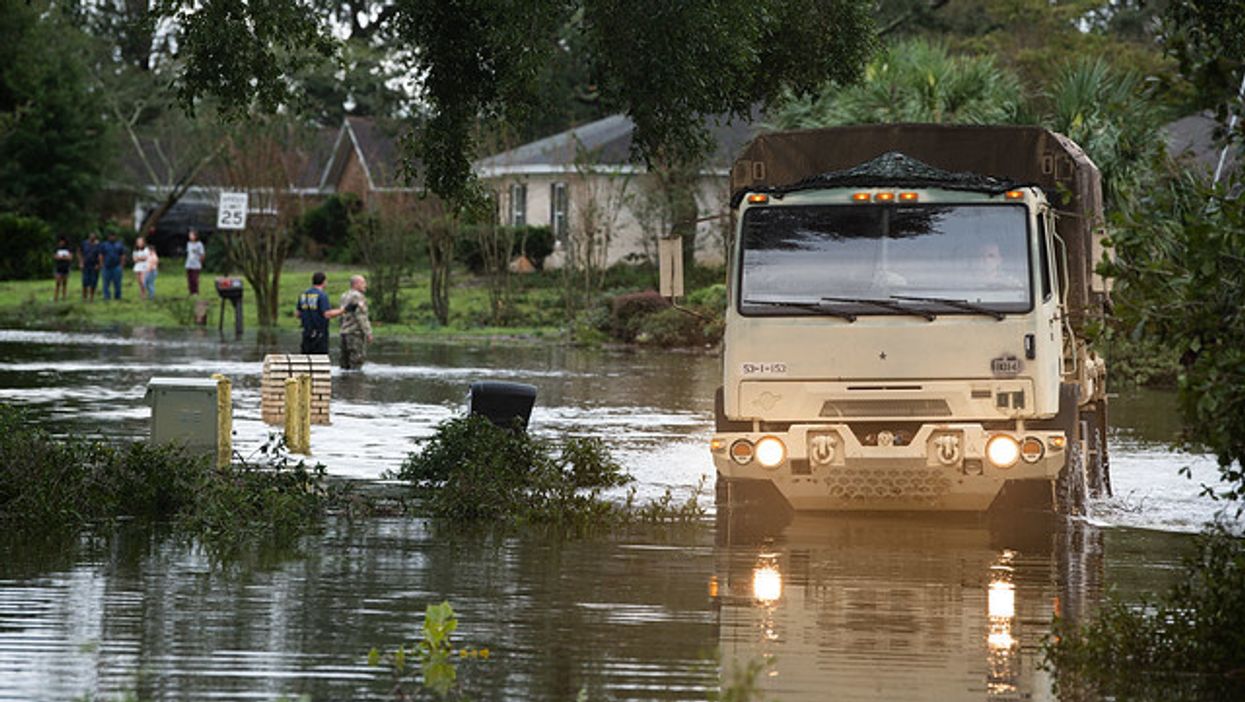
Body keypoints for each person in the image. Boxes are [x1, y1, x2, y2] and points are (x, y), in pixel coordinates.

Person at [295, 271, 342, 355]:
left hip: (306, 333)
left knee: (306, 360)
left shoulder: (303, 295)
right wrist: (343, 310)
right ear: (324, 282)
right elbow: (327, 314)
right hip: (319, 334)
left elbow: (297, 314)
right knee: (320, 361)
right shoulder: (322, 295)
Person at [338, 275, 373, 370]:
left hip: (344, 333)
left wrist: (341, 328)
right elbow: (361, 317)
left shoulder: (344, 296)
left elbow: (341, 315)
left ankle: (344, 384)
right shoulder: (358, 297)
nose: (365, 285)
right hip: (355, 334)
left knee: (344, 364)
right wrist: (368, 333)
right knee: (356, 362)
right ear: (356, 284)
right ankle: (355, 384)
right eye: (363, 283)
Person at [99, 231, 126, 301]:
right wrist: (102, 265)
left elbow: (122, 255)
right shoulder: (104, 245)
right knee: (106, 283)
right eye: (110, 236)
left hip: (116, 267)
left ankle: (118, 297)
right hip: (106, 267)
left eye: (113, 236)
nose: (112, 237)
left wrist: (122, 266)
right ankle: (106, 297)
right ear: (108, 237)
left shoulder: (119, 245)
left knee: (117, 283)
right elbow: (101, 255)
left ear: (115, 237)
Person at [78, 232, 101, 302]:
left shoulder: (98, 245)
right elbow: (79, 252)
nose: (92, 238)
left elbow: (100, 255)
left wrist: (99, 264)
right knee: (85, 282)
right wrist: (81, 262)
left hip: (94, 266)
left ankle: (91, 297)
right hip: (86, 265)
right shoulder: (84, 244)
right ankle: (84, 297)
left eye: (93, 237)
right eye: (91, 237)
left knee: (93, 282)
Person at [184, 229, 205, 296]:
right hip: (189, 264)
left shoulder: (199, 244)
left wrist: (201, 262)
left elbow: (202, 254)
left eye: (191, 235)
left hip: (196, 264)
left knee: (194, 279)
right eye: (189, 235)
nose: (190, 236)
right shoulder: (188, 244)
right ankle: (191, 291)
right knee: (189, 279)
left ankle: (196, 292)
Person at [132, 235, 149, 300]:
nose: (139, 243)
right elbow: (134, 259)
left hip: (144, 267)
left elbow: (145, 258)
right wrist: (139, 258)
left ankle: (144, 293)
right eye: (138, 242)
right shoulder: (135, 250)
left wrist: (138, 258)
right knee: (139, 281)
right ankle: (141, 293)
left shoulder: (146, 249)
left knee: (142, 281)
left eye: (140, 242)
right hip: (137, 267)